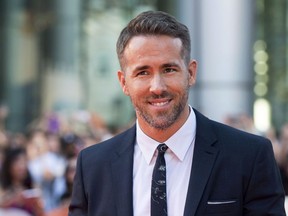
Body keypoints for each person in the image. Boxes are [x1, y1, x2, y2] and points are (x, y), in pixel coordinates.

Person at [69, 11, 286, 215]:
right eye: (143, 72)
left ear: (190, 73)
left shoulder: (249, 155)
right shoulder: (93, 166)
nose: (157, 86)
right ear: (124, 82)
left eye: (169, 69)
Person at [0, 147, 45, 216]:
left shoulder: (32, 188)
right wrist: (12, 199)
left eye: (24, 161)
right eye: (18, 162)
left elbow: (41, 213)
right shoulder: (2, 187)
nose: (22, 166)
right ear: (9, 165)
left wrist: (37, 205)